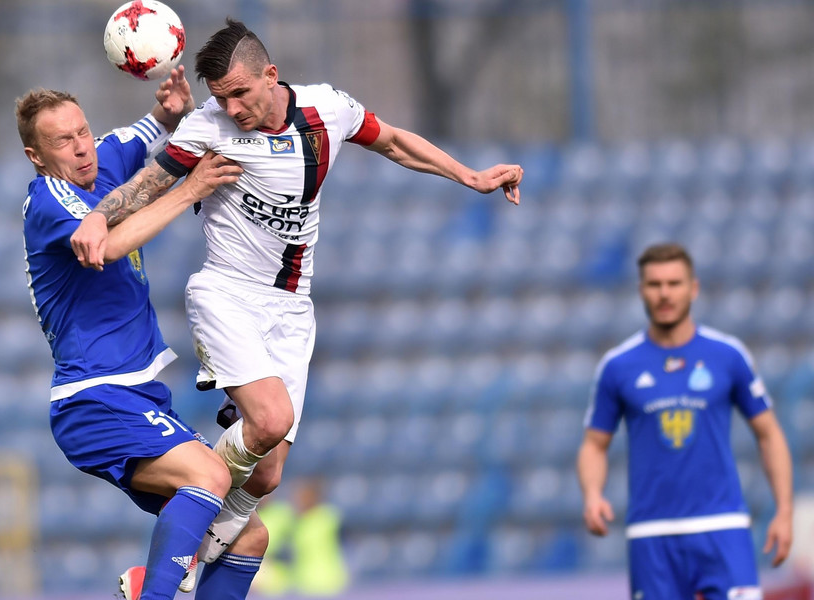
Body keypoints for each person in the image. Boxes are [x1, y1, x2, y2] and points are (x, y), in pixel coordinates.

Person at [70, 18, 523, 587]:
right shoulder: (207, 127)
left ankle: (191, 553)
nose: (232, 108)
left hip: (292, 308)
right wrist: (95, 215)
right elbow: (145, 186)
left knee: (265, 479)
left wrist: (471, 176)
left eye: (240, 93)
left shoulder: (326, 109)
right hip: (226, 293)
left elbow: (394, 141)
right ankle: (170, 564)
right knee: (271, 419)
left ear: (272, 76)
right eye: (221, 98)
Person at [17, 67, 261, 600]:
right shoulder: (49, 201)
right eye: (63, 141)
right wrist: (188, 187)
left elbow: (145, 129)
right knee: (209, 478)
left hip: (137, 393)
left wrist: (168, 111)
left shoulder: (102, 155)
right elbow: (106, 244)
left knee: (248, 537)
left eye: (83, 131)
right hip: (95, 398)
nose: (82, 148)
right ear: (37, 156)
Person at [577, 243, 794, 600]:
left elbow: (769, 433)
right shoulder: (618, 366)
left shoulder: (727, 355)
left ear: (693, 288)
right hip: (652, 533)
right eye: (655, 284)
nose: (664, 293)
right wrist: (592, 494)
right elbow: (594, 444)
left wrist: (784, 510)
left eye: (674, 283)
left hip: (722, 527)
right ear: (641, 290)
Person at [252, 477, 348, 596]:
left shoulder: (327, 517)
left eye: (303, 497)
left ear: (314, 497)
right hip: (304, 583)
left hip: (327, 582)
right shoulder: (294, 520)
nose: (297, 500)